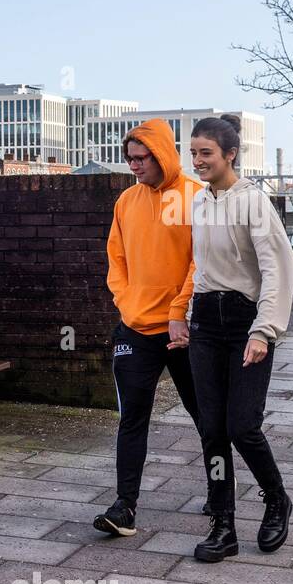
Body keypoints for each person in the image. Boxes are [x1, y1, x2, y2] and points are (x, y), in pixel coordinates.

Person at [96, 118, 225, 537]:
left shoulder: (196, 198)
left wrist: (178, 311)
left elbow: (200, 261)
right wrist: (126, 302)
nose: (133, 166)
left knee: (206, 414)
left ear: (161, 155)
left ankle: (219, 491)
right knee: (132, 417)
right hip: (135, 329)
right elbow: (116, 259)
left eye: (141, 158)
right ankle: (124, 508)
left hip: (186, 331)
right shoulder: (126, 202)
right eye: (129, 159)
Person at [187, 114, 293, 562]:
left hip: (246, 321)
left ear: (230, 154)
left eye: (206, 153)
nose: (197, 161)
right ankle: (224, 525)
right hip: (205, 325)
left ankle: (276, 498)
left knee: (242, 426)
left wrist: (264, 331)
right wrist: (185, 316)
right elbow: (202, 268)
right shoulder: (198, 202)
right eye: (193, 153)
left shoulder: (253, 202)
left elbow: (279, 267)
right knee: (211, 430)